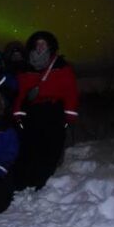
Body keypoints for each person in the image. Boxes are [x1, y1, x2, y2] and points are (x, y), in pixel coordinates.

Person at [12, 30, 79, 191]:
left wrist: (69, 115)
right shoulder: (26, 66)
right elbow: (20, 93)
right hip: (33, 111)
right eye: (38, 43)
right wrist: (18, 113)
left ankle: (43, 180)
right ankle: (27, 178)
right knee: (30, 146)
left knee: (51, 147)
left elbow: (70, 91)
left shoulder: (61, 66)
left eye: (43, 43)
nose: (40, 46)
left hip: (54, 110)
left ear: (50, 45)